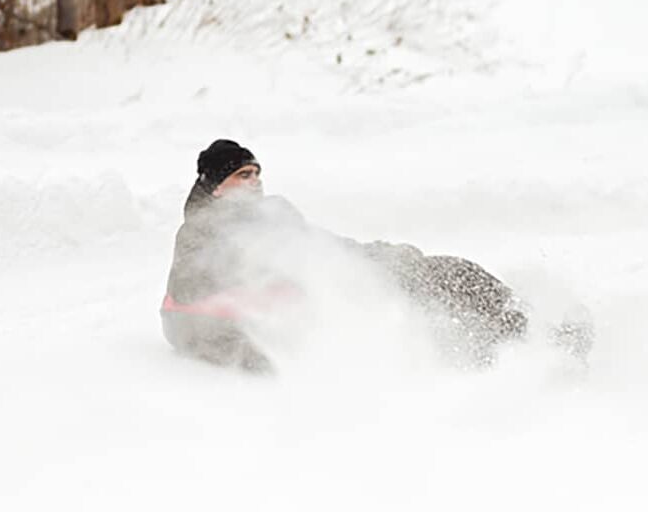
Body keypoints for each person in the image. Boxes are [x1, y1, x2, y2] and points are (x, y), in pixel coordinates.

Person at [160, 139, 534, 372]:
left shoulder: (271, 215)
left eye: (256, 173)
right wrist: (272, 276)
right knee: (406, 306)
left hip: (330, 281)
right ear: (216, 186)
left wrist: (387, 254)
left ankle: (524, 327)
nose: (255, 180)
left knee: (442, 270)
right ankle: (504, 354)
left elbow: (320, 245)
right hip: (306, 302)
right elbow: (189, 286)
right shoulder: (200, 230)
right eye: (243, 174)